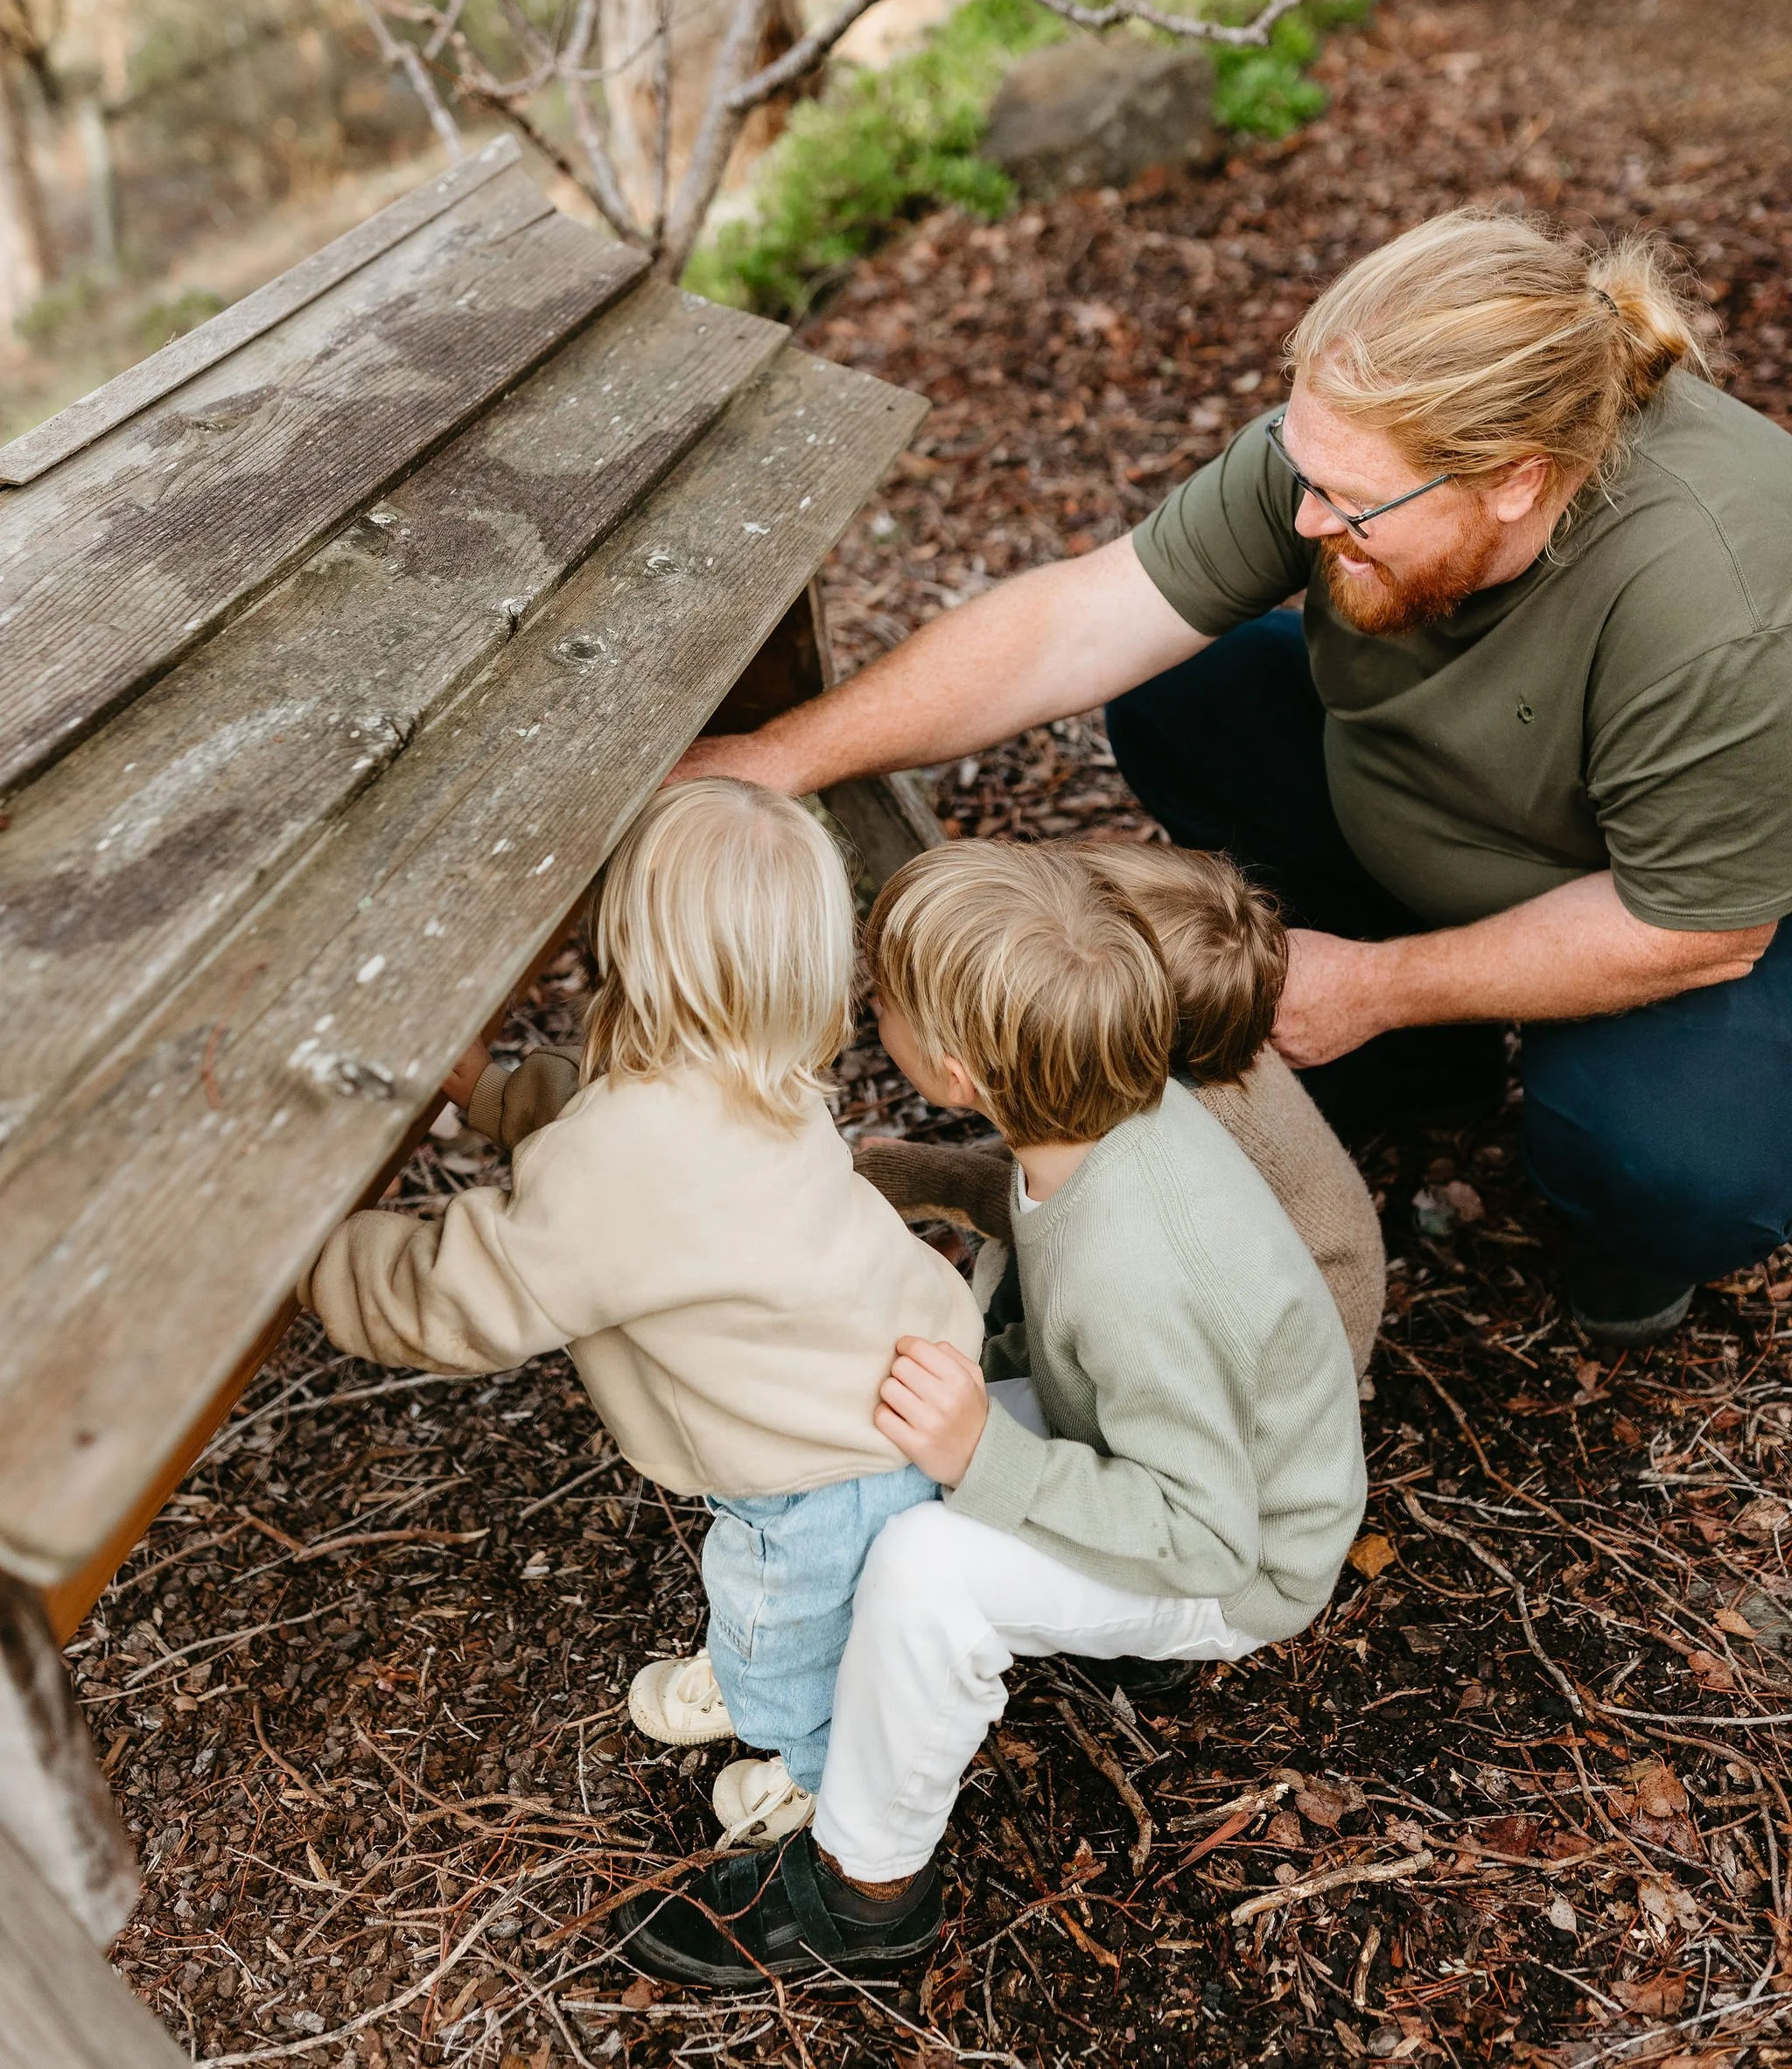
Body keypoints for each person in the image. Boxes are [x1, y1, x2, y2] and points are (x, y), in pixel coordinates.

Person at [671, 212, 1792, 1346]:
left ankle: (1629, 1255)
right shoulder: (1362, 451)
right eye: (1304, 475)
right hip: (1459, 811)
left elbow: (1695, 927)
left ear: (1514, 483)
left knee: (1676, 1161)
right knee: (1182, 698)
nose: (1308, 521)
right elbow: (1079, 623)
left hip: (1686, 900)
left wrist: (1372, 984)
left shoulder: (1716, 602)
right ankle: (1426, 1061)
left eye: (1349, 503)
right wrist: (775, 759)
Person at [633, 840, 1368, 1985]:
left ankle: (865, 1893)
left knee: (931, 1571)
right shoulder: (1097, 1115)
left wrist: (987, 1456)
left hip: (1241, 1557)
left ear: (960, 1069)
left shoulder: (1142, 1261)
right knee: (894, 1413)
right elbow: (1084, 1349)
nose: (867, 1005)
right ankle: (804, 1677)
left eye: (887, 1000)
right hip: (1147, 1451)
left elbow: (1212, 1530)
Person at [298, 779, 982, 1846]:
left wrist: (309, 1255)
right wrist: (494, 1097)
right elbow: (597, 1129)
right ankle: (786, 1656)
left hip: (819, 1468)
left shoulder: (628, 1156)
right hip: (884, 1392)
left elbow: (459, 1299)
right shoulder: (761, 1074)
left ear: (632, 946)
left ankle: (812, 1768)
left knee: (785, 1628)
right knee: (809, 1602)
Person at [859, 837, 1385, 1378]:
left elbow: (1063, 1220)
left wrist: (925, 1178)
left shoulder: (1152, 1145)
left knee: (1022, 1296)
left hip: (1277, 1363)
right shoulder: (1188, 1046)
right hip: (1274, 1299)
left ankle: (1000, 1365)